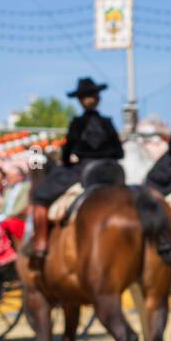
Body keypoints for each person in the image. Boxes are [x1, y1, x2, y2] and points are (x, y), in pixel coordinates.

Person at [29, 77, 124, 269]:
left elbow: (66, 152)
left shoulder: (77, 123)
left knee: (39, 196)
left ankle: (40, 244)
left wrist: (71, 160)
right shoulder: (107, 122)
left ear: (80, 101)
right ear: (98, 98)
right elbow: (119, 152)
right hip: (111, 171)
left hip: (83, 170)